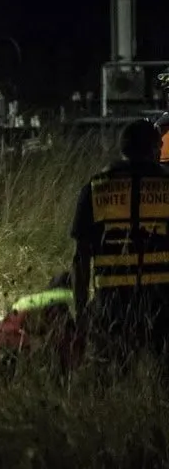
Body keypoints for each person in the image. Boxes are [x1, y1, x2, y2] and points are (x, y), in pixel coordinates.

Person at [71, 119, 169, 371]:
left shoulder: (95, 189)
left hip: (111, 305)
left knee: (110, 378)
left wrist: (81, 313)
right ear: (154, 149)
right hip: (162, 304)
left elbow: (81, 259)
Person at [0, 272, 80, 380]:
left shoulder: (33, 299)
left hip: (0, 333)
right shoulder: (68, 300)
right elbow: (66, 339)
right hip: (21, 338)